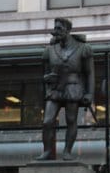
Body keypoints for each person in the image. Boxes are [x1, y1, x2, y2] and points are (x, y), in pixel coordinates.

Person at [37, 17, 94, 161]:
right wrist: (47, 79)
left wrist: (90, 93)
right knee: (47, 121)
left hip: (73, 87)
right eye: (55, 28)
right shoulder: (49, 50)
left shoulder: (82, 48)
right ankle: (47, 151)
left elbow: (89, 73)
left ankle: (67, 151)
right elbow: (44, 74)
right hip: (55, 89)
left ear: (67, 30)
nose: (56, 31)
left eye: (59, 28)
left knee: (71, 120)